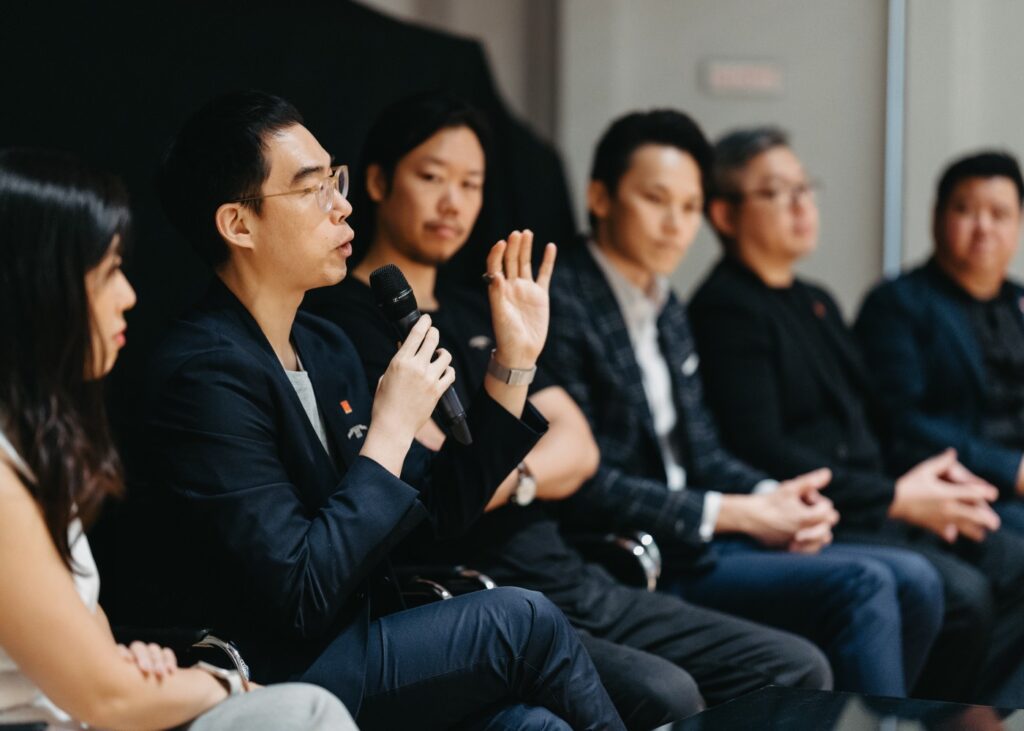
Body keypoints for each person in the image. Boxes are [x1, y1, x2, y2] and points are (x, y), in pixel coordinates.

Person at [305, 93, 833, 729]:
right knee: (665, 691)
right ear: (380, 181)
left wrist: (513, 479)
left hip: (567, 567)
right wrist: (519, 469)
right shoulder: (341, 323)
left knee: (797, 666)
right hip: (474, 583)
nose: (454, 202)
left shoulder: (487, 307)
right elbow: (435, 477)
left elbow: (577, 445)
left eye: (471, 184)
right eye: (431, 177)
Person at [116, 90, 623, 731]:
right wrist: (389, 427)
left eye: (337, 180)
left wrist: (512, 364)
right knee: (522, 621)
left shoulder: (323, 345)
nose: (342, 205)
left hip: (365, 638)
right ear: (238, 225)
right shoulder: (203, 376)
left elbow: (442, 511)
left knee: (533, 726)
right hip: (273, 669)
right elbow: (299, 594)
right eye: (311, 190)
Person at [542, 110, 945, 699]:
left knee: (912, 577)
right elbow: (589, 481)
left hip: (699, 531)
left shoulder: (666, 302)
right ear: (600, 197)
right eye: (656, 200)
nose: (676, 225)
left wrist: (771, 498)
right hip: (634, 553)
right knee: (868, 582)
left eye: (688, 206)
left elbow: (702, 449)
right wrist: (731, 514)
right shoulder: (561, 299)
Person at [0, 148, 355, 730]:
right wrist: (222, 681)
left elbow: (95, 660)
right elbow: (108, 698)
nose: (129, 296)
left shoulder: (31, 448)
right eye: (110, 270)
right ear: (41, 285)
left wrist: (121, 664)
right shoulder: (205, 368)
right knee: (308, 711)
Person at [692, 126, 1024, 705]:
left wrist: (925, 482)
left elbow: (873, 421)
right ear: (723, 214)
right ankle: (946, 717)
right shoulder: (728, 309)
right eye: (777, 192)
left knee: (997, 560)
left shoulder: (812, 299)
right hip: (824, 513)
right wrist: (897, 494)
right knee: (972, 584)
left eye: (805, 188)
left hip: (875, 499)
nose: (802, 205)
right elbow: (763, 448)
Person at [856, 151, 1024, 535]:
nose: (983, 228)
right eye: (966, 211)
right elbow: (901, 422)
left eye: (999, 215)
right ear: (937, 217)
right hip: (956, 486)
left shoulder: (1018, 302)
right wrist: (1010, 469)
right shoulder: (897, 304)